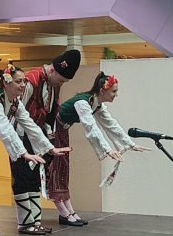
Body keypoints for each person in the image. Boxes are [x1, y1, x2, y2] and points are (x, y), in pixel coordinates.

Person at [0, 64, 70, 236]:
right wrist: (23, 153)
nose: (23, 85)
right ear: (6, 83)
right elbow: (5, 130)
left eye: (24, 81)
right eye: (18, 81)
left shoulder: (14, 102)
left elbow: (30, 125)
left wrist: (48, 148)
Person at [51, 72, 150, 225]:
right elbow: (91, 128)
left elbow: (111, 124)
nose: (116, 94)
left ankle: (69, 211)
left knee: (63, 169)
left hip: (61, 131)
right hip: (51, 131)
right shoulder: (83, 102)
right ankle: (63, 212)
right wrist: (107, 150)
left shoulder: (96, 104)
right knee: (56, 169)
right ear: (103, 90)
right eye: (114, 91)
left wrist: (130, 144)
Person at [13, 50, 81, 234]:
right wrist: (19, 141)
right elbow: (17, 111)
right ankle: (25, 222)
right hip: (21, 134)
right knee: (22, 176)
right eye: (61, 80)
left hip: (37, 134)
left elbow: (50, 112)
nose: (61, 84)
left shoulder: (53, 84)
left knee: (35, 177)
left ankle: (34, 221)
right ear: (52, 70)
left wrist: (48, 135)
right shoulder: (31, 80)